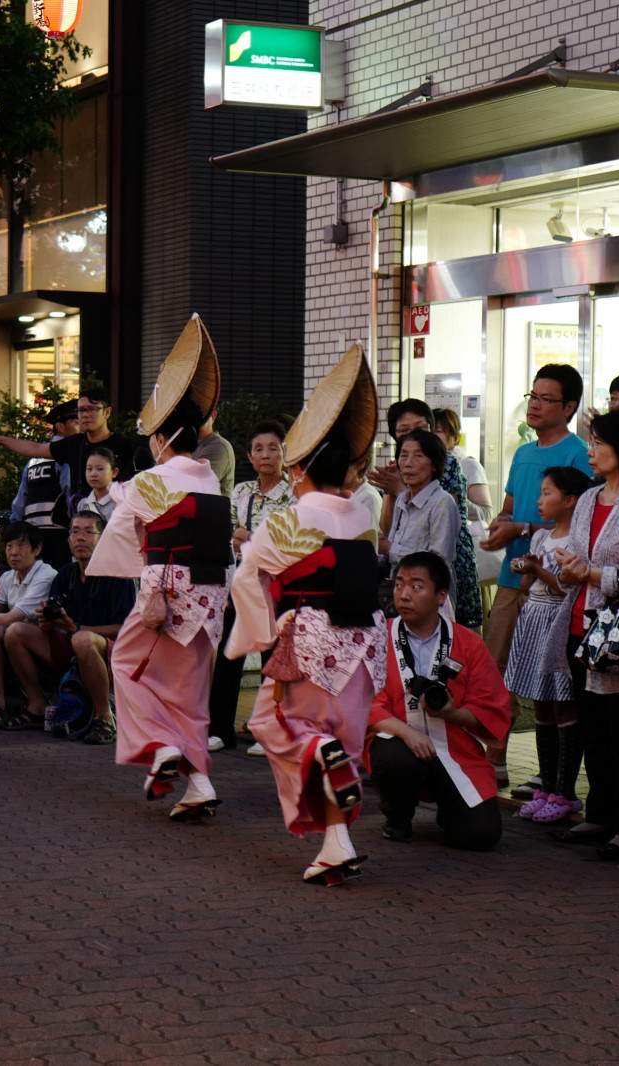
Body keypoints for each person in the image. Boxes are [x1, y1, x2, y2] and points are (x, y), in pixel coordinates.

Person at [227, 345, 385, 885]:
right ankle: (337, 844)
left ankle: (320, 754)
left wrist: (253, 637)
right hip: (364, 641)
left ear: (299, 470)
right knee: (344, 741)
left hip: (310, 639)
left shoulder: (287, 521)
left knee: (277, 725)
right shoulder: (362, 514)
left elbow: (247, 577)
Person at [89, 315, 228, 819]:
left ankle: (163, 747)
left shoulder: (151, 481)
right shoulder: (208, 476)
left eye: (153, 434)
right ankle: (199, 783)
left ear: (163, 439)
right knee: (188, 688)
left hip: (167, 591)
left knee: (127, 665)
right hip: (210, 593)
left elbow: (121, 517)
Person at [543, 406, 619, 861]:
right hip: (580, 626)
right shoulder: (589, 498)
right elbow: (573, 557)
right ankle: (598, 815)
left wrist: (587, 572)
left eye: (598, 443)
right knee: (592, 730)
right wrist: (570, 567)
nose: (591, 451)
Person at [480, 364, 593, 790]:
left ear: (569, 407)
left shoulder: (578, 454)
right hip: (514, 576)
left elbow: (578, 523)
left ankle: (555, 779)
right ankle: (496, 757)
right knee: (497, 668)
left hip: (554, 585)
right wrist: (501, 523)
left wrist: (522, 529)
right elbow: (510, 506)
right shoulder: (523, 452)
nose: (535, 405)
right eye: (533, 395)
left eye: (547, 399)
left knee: (552, 681)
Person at [366, 552, 513, 851]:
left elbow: (491, 708)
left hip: (455, 749)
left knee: (481, 836)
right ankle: (398, 816)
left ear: (441, 596)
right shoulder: (378, 636)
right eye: (399, 584)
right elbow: (366, 703)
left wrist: (452, 713)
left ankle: (451, 811)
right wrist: (408, 733)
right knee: (394, 757)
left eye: (416, 586)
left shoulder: (468, 642)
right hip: (399, 744)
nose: (404, 594)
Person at [504, 466, 593, 825]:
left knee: (564, 706)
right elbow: (528, 587)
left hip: (558, 623)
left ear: (570, 500)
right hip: (534, 620)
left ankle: (565, 792)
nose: (539, 501)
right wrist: (527, 568)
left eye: (547, 493)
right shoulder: (542, 537)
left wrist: (538, 571)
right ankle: (546, 787)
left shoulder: (578, 542)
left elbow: (566, 588)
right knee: (541, 707)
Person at [3, 509, 134, 743]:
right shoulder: (66, 573)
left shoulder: (118, 575)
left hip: (110, 653)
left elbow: (123, 629)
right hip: (70, 646)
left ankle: (104, 717)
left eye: (88, 532)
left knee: (82, 640)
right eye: (75, 532)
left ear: (104, 539)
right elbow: (54, 624)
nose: (80, 538)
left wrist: (75, 628)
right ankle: (36, 706)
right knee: (15, 632)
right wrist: (47, 622)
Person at [210, 420, 294, 754]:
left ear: (285, 452)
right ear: (249, 455)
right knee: (229, 657)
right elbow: (226, 536)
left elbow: (288, 544)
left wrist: (248, 537)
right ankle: (220, 730)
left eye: (273, 448)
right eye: (258, 449)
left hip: (278, 587)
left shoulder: (294, 494)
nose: (266, 455)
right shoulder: (242, 491)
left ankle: (268, 732)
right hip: (242, 585)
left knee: (274, 660)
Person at [0, 520, 57, 728]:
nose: (13, 552)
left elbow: (11, 618)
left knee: (14, 630)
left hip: (49, 644)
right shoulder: (8, 577)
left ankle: (36, 706)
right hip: (19, 641)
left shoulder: (45, 575)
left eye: (21, 545)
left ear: (37, 549)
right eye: (9, 546)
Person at [0, 385, 139, 491]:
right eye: (81, 410)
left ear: (107, 412)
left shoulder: (124, 445)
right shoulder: (74, 444)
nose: (85, 415)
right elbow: (35, 448)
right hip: (81, 520)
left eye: (92, 409)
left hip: (115, 519)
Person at [385, 429, 460, 616]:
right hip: (400, 596)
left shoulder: (442, 502)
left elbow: (438, 561)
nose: (408, 463)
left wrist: (390, 549)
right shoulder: (402, 498)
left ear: (434, 465)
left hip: (429, 602)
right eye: (404, 455)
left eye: (418, 456)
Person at [10, 399, 78, 568]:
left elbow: (20, 503)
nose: (81, 428)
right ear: (60, 427)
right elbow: (70, 494)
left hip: (31, 537)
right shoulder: (64, 457)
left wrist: (15, 529)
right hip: (59, 535)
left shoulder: (33, 461)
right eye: (76, 423)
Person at [431, 408, 492, 524]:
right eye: (429, 431)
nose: (431, 437)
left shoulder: (469, 466)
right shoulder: (423, 466)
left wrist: (457, 498)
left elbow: (486, 514)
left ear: (455, 437)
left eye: (437, 431)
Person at [68, 445, 124, 525]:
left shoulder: (121, 502)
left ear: (114, 472)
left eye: (100, 469)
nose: (93, 474)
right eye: (89, 469)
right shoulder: (83, 504)